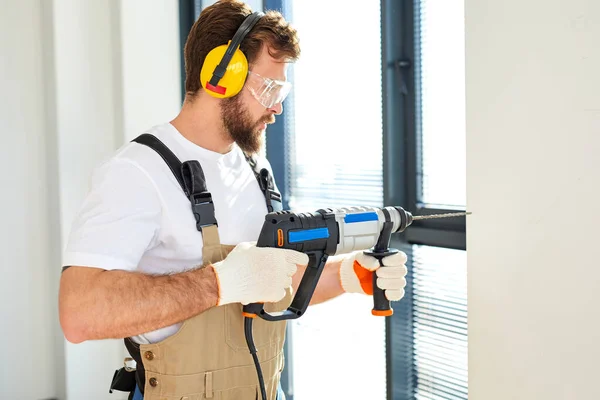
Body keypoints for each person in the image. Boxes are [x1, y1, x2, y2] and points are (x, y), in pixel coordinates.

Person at [58, 1, 408, 399]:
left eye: (283, 91)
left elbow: (271, 278)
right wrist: (218, 283)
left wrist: (347, 276)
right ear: (221, 75)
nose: (277, 107)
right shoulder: (137, 171)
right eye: (269, 88)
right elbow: (79, 313)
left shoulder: (255, 168)